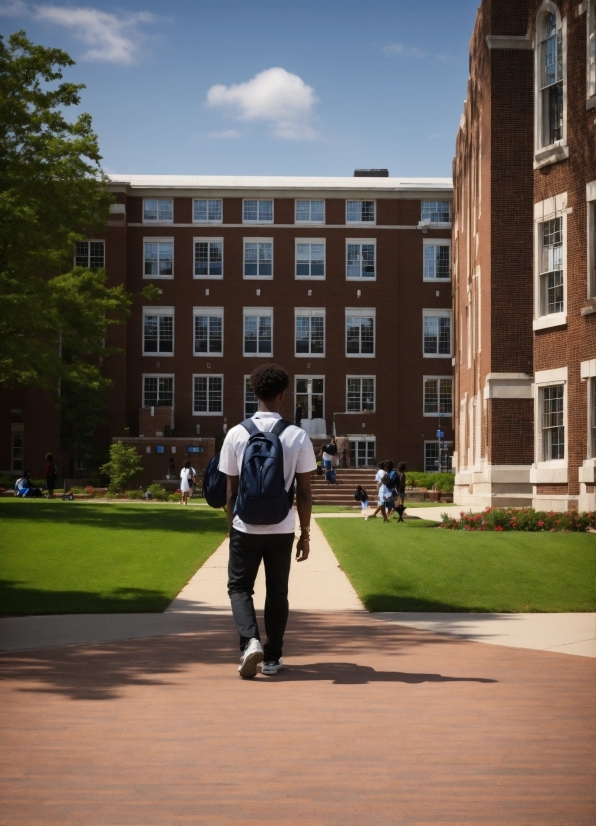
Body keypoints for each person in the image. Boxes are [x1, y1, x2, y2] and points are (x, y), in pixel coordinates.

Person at [219, 363, 316, 679]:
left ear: (254, 392)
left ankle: (249, 642)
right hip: (282, 526)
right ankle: (273, 658)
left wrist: (231, 525)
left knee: (239, 587)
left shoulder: (236, 433)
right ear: (283, 394)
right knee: (277, 592)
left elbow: (230, 491)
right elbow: (303, 493)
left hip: (245, 526)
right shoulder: (297, 436)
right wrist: (305, 534)